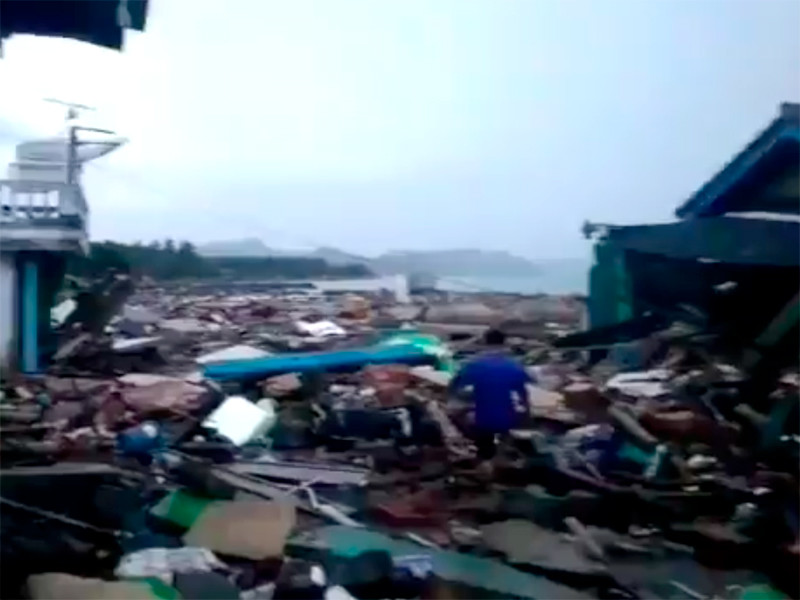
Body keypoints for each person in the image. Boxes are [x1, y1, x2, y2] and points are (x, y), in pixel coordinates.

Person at [449, 329, 532, 465]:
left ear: (485, 342)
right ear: (505, 342)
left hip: (482, 419)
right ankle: (502, 459)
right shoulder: (515, 366)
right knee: (505, 446)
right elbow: (524, 393)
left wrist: (472, 397)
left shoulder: (474, 365)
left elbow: (456, 390)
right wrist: (526, 416)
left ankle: (483, 461)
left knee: (473, 432)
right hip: (509, 419)